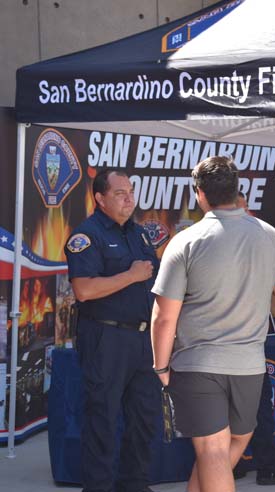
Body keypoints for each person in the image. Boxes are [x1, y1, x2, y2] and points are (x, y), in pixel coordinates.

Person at [151, 156, 275, 492]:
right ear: (238, 190)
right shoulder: (271, 236)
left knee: (213, 452)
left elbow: (164, 316)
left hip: (197, 363)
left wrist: (160, 365)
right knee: (225, 448)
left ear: (200, 194)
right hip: (249, 366)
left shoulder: (185, 241)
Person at [64, 169, 160, 492]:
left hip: (142, 338)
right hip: (106, 338)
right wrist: (130, 276)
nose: (129, 197)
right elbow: (84, 290)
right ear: (100, 199)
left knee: (144, 418)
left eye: (131, 191)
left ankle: (134, 484)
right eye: (120, 193)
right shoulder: (86, 235)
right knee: (102, 420)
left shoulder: (140, 234)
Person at [233, 191, 275, 487]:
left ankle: (241, 465)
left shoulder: (254, 238)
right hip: (243, 335)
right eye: (242, 209)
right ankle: (264, 466)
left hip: (239, 334)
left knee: (249, 404)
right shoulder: (258, 239)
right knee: (254, 403)